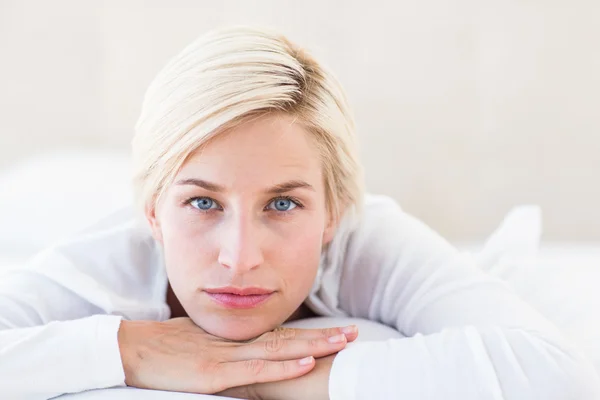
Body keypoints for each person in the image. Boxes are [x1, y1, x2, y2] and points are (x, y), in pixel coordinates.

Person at [0, 25, 598, 400]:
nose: (240, 256)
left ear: (333, 211)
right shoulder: (103, 264)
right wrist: (133, 351)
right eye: (202, 202)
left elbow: (554, 375)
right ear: (153, 211)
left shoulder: (368, 243)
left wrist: (248, 374)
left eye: (282, 203)